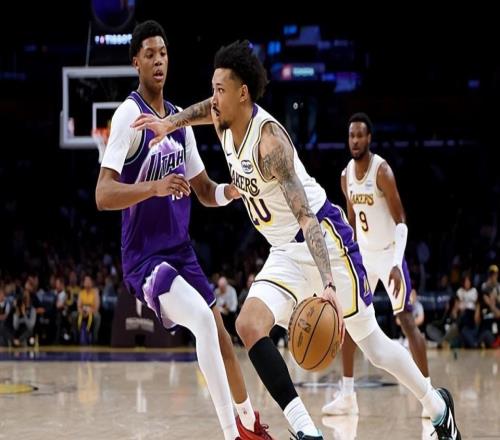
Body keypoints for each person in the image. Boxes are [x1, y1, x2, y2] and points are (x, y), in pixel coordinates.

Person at [132, 40, 460, 439]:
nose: (213, 99)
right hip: (285, 250)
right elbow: (203, 109)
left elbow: (307, 218)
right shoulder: (222, 119)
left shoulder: (270, 144)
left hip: (325, 240)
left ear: (243, 93)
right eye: (212, 88)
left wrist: (328, 284)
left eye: (220, 90)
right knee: (248, 324)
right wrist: (170, 123)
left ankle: (437, 406)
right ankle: (307, 432)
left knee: (372, 344)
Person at [96, 22, 272, 440]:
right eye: (150, 54)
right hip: (145, 258)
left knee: (220, 332)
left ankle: (249, 422)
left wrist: (232, 191)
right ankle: (232, 434)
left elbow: (205, 191)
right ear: (136, 62)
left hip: (181, 251)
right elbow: (103, 194)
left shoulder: (179, 122)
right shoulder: (128, 116)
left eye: (164, 53)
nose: (159, 61)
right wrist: (153, 187)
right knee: (202, 321)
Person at [323, 112, 432, 418]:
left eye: (360, 135)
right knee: (350, 318)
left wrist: (396, 263)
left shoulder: (381, 171)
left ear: (369, 138)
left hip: (389, 255)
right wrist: (349, 257)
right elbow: (351, 224)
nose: (355, 140)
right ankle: (347, 395)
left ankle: (429, 394)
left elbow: (401, 221)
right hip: (365, 256)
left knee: (406, 320)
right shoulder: (345, 176)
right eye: (351, 136)